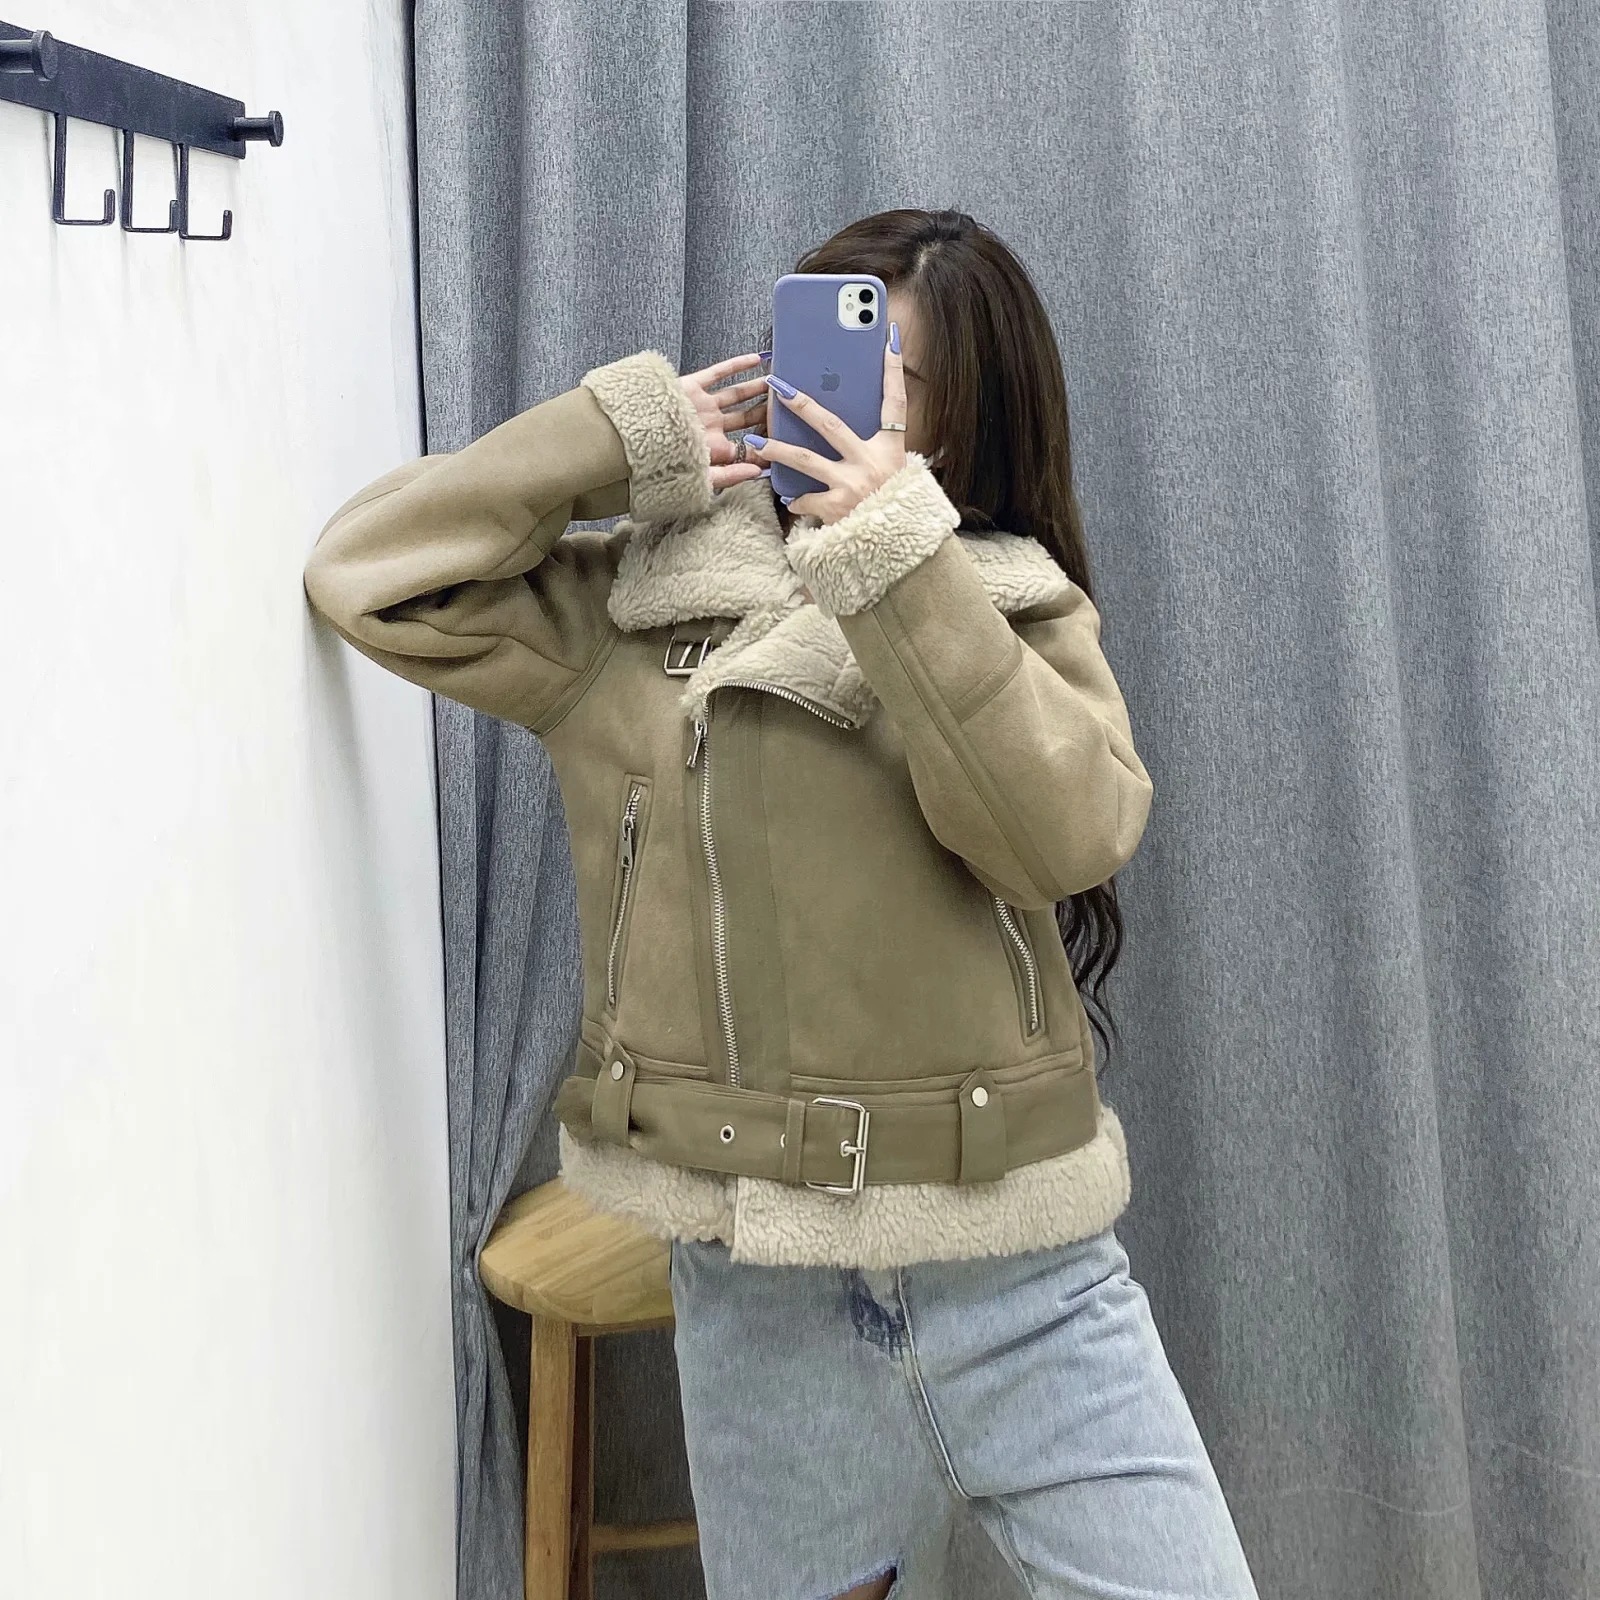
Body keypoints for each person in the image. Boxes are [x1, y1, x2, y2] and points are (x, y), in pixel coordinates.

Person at [304, 208, 1258, 1600]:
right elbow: (372, 576)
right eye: (821, 350)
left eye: (896, 375)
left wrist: (898, 570)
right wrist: (605, 439)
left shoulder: (1013, 608)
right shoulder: (638, 610)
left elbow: (1065, 840)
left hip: (1018, 1272)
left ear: (967, 415)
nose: (839, 394)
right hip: (764, 1296)